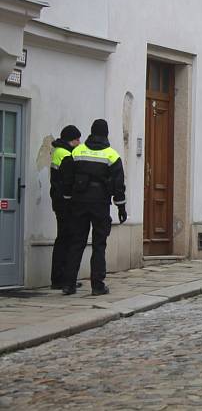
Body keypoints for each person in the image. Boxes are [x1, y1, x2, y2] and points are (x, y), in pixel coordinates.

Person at [61, 119, 127, 296]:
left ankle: (68, 284)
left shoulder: (77, 151)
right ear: (106, 134)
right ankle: (97, 285)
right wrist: (121, 207)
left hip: (79, 203)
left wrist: (68, 199)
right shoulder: (112, 155)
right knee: (99, 244)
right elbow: (119, 184)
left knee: (76, 243)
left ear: (91, 132)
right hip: (100, 204)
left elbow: (67, 178)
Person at [50, 125, 81, 290]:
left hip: (58, 201)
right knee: (67, 239)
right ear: (71, 139)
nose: (79, 142)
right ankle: (62, 278)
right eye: (77, 139)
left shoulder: (58, 151)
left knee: (61, 238)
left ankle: (57, 277)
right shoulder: (66, 155)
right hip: (66, 203)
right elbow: (69, 181)